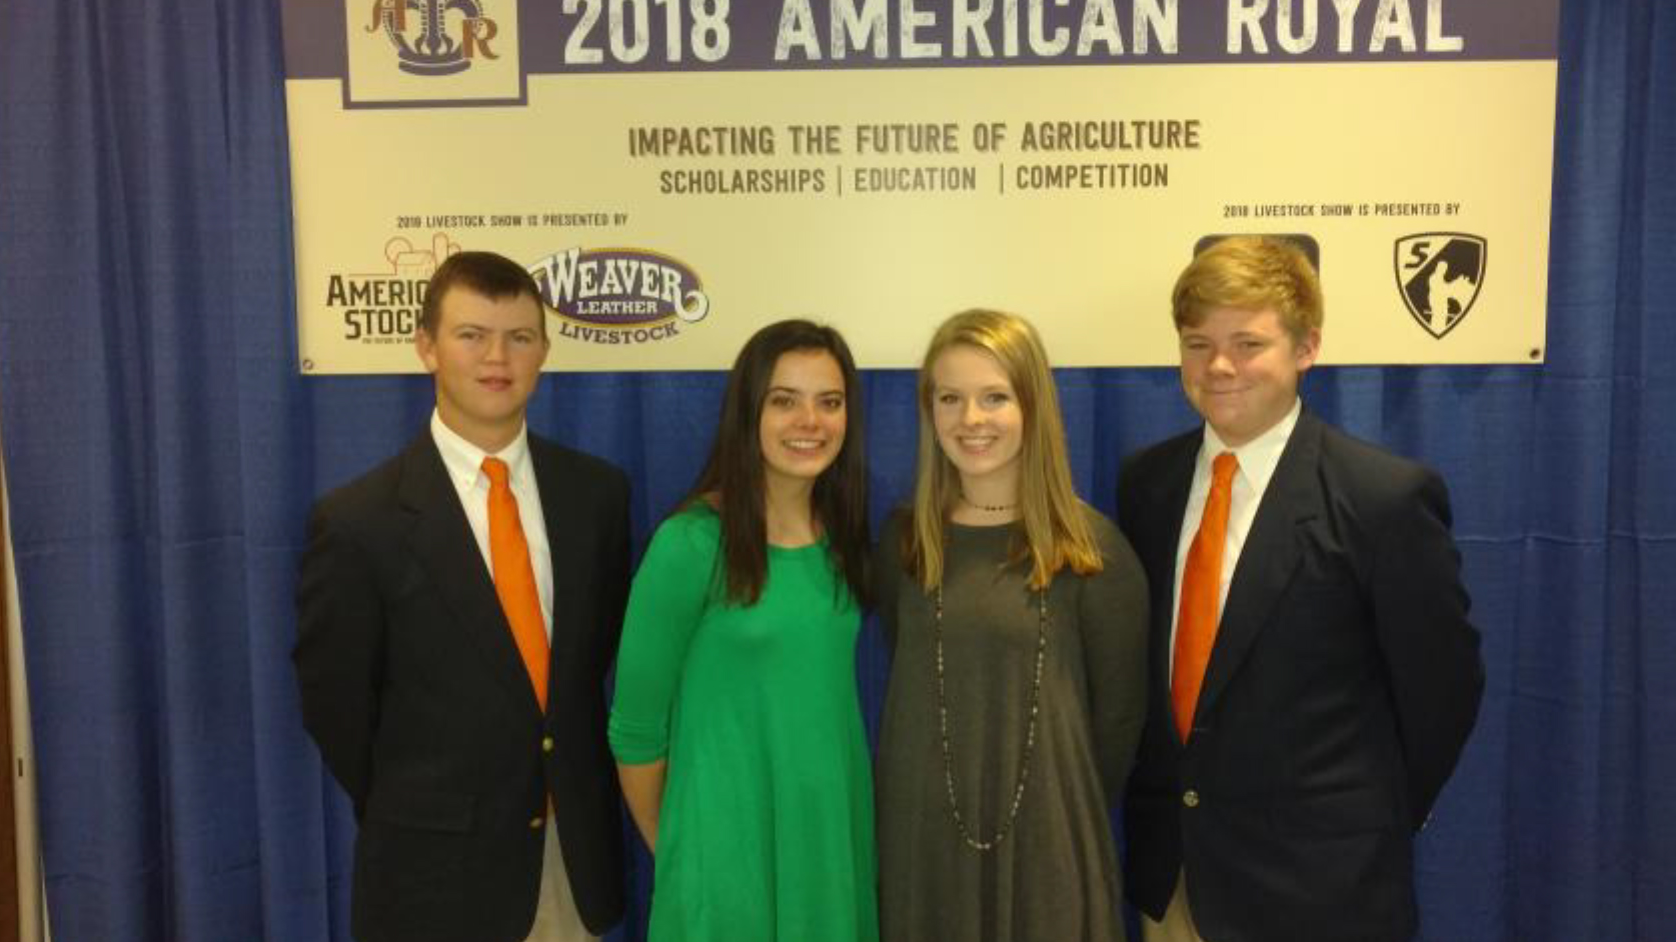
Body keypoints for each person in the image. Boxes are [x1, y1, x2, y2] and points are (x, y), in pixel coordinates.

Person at [1118, 235, 1485, 942]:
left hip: (1322, 893)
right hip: (1176, 890)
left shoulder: (1381, 499)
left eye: (1248, 343)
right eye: (1198, 344)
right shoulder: (1147, 485)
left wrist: (1355, 822)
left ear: (1306, 348)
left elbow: (1444, 692)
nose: (1219, 366)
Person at [294, 251, 632, 942]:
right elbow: (337, 709)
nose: (497, 357)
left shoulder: (596, 495)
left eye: (520, 336)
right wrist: (426, 805)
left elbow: (593, 665)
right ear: (426, 347)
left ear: (544, 352)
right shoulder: (360, 522)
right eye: (471, 334)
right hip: (432, 879)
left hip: (569, 866)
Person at [876, 309, 1148, 942]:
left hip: (1051, 850)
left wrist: (1051, 809)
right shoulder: (904, 544)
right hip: (924, 846)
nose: (971, 419)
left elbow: (1118, 724)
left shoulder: (1092, 551)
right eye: (951, 398)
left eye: (995, 396)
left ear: (1034, 406)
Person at [607, 320, 878, 942]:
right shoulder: (691, 544)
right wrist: (688, 848)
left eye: (828, 402)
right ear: (747, 411)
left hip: (827, 844)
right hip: (724, 856)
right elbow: (635, 730)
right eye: (784, 400)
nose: (809, 421)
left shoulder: (844, 541)